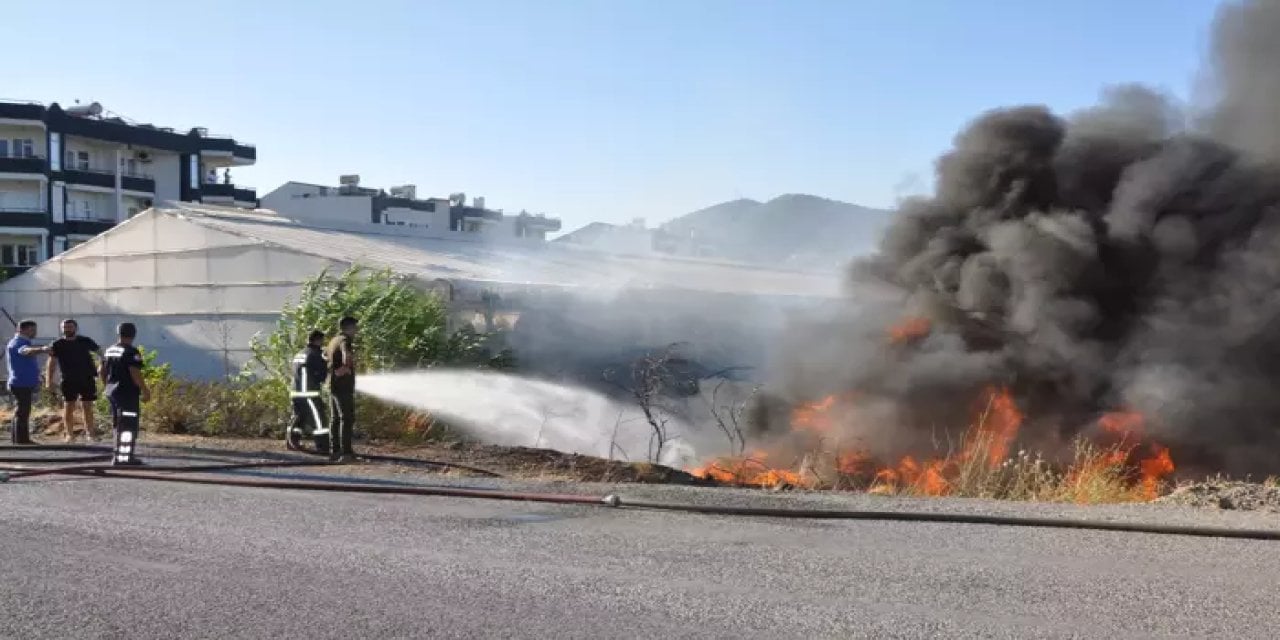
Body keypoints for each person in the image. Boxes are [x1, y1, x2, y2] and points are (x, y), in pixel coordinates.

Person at [99, 322, 150, 466]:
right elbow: (134, 372)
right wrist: (145, 390)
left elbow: (100, 371)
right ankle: (124, 457)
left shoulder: (109, 351)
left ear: (118, 333)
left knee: (118, 424)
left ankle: (119, 454)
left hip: (113, 392)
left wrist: (107, 386)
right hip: (127, 393)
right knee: (128, 425)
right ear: (134, 334)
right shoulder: (131, 352)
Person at [46, 318, 101, 442]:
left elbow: (100, 353)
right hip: (68, 379)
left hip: (87, 378)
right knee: (68, 407)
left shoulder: (85, 341)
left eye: (70, 327)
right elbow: (51, 363)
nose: (67, 329)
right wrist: (49, 381)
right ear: (61, 329)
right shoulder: (57, 344)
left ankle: (90, 434)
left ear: (75, 328)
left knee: (87, 406)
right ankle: (69, 434)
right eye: (65, 327)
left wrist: (101, 367)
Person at [287, 329, 330, 453]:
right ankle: (323, 446)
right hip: (309, 393)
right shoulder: (314, 354)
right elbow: (321, 375)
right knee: (319, 420)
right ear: (318, 340)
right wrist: (327, 364)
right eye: (322, 341)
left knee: (298, 417)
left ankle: (292, 442)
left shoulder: (300, 353)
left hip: (296, 392)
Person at [6, 320, 48, 445]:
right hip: (21, 383)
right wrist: (43, 349)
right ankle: (22, 440)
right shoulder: (18, 343)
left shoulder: (21, 342)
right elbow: (24, 351)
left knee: (21, 411)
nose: (35, 332)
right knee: (23, 411)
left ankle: (18, 439)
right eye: (32, 330)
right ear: (23, 330)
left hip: (22, 382)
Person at [325, 316, 358, 463]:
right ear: (349, 328)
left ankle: (335, 451)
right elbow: (347, 356)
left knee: (335, 418)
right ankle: (346, 453)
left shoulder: (333, 341)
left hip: (332, 384)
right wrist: (345, 368)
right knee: (347, 417)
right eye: (355, 328)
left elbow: (325, 358)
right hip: (343, 386)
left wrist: (334, 371)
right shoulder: (345, 340)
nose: (356, 331)